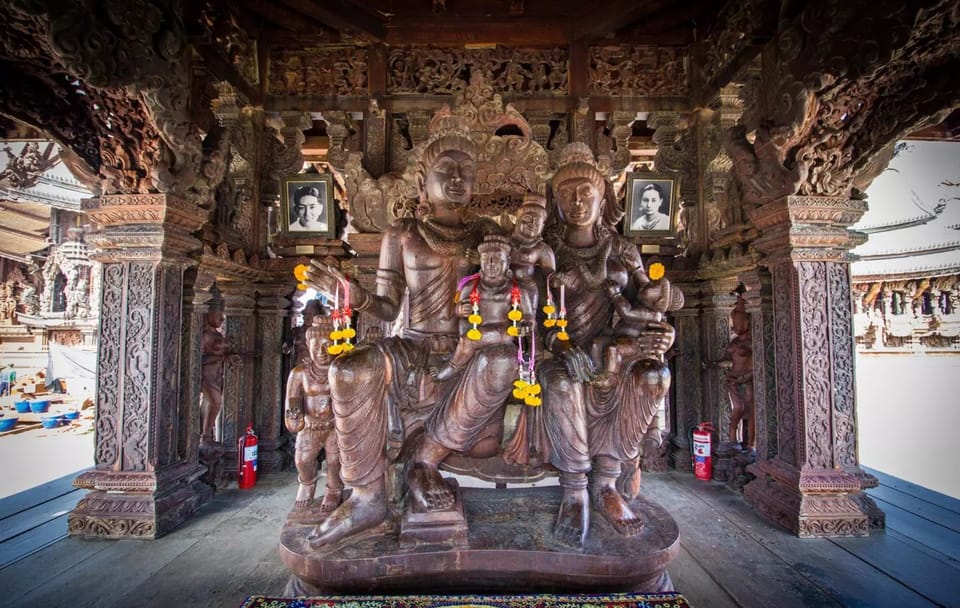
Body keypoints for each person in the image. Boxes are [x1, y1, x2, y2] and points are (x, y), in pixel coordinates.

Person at [303, 124, 513, 546]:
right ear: (422, 180)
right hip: (413, 345)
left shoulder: (487, 233)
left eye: (467, 172)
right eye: (447, 169)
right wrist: (358, 297)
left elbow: (509, 291)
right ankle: (367, 496)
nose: (458, 179)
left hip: (471, 347)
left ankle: (425, 460)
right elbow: (386, 306)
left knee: (502, 362)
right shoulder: (401, 234)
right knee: (347, 371)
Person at [539, 142, 676, 543]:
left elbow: (649, 302)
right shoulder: (547, 250)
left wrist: (662, 332)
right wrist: (561, 345)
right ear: (555, 202)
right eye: (567, 194)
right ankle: (575, 490)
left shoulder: (622, 250)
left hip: (612, 347)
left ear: (603, 200)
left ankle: (606, 484)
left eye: (587, 193)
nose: (577, 202)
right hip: (558, 349)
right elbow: (531, 311)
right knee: (562, 383)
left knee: (653, 375)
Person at [432, 235, 535, 390]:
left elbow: (529, 317)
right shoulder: (471, 287)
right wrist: (461, 309)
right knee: (467, 339)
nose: (491, 263)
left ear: (507, 262)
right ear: (480, 261)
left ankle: (452, 367)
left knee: (468, 341)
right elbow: (458, 308)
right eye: (486, 259)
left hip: (505, 333)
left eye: (497, 259)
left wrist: (525, 324)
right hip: (477, 330)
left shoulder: (516, 290)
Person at [284, 317, 344, 519]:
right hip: (310, 425)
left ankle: (334, 489)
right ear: (308, 345)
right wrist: (294, 416)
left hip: (335, 425)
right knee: (303, 460)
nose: (321, 352)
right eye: (316, 346)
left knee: (335, 461)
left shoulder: (341, 370)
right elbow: (293, 398)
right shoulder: (300, 373)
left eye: (327, 346)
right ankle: (307, 483)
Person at [706, 295, 755, 452]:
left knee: (750, 411)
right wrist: (714, 363)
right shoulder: (734, 342)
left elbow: (760, 363)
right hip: (733, 380)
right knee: (738, 407)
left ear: (747, 322)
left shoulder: (753, 342)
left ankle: (750, 444)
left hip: (747, 380)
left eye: (738, 322)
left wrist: (748, 376)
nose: (735, 325)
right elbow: (727, 359)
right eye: (734, 321)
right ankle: (732, 439)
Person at [509, 193, 555, 314]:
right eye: (527, 219)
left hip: (527, 288)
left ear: (542, 226)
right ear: (516, 220)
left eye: (537, 222)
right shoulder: (504, 241)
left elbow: (549, 275)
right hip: (501, 286)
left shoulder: (542, 248)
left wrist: (557, 279)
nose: (532, 225)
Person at [200, 307, 230, 446]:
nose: (222, 318)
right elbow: (196, 357)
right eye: (219, 313)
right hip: (207, 374)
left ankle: (206, 434)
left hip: (218, 373)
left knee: (211, 404)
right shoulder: (204, 335)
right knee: (215, 403)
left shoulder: (218, 334)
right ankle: (205, 436)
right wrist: (220, 358)